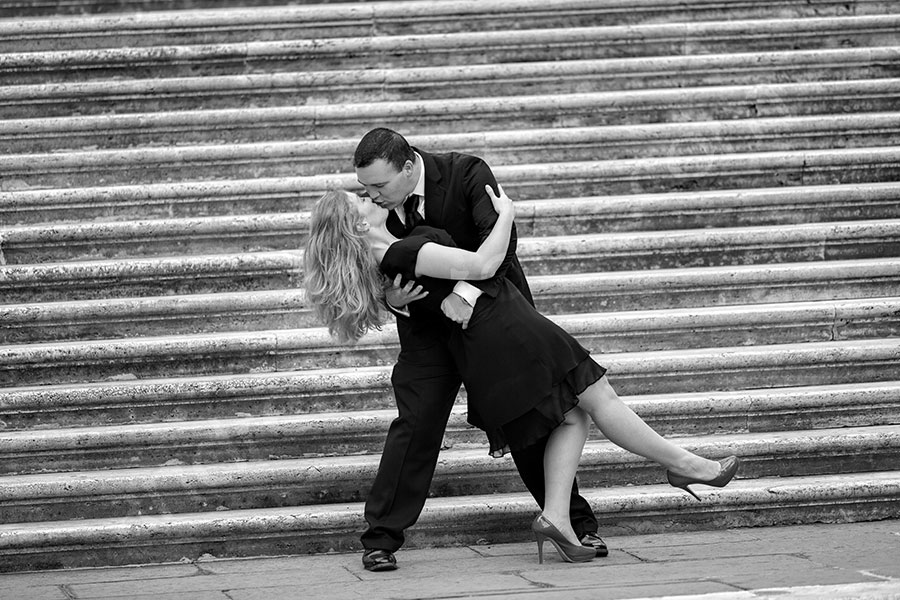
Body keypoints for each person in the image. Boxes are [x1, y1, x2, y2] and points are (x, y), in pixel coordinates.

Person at [304, 182, 740, 565]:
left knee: (573, 415)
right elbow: (484, 265)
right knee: (598, 396)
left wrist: (394, 295)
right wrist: (508, 214)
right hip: (507, 327)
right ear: (355, 224)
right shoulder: (403, 250)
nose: (370, 195)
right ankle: (686, 465)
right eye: (360, 197)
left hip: (498, 328)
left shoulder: (396, 248)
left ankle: (558, 518)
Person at [314, 128, 606, 572]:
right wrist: (390, 300)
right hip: (426, 333)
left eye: (379, 185)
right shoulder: (372, 210)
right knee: (415, 426)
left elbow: (500, 244)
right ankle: (380, 539)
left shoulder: (467, 173)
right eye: (365, 187)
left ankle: (572, 523)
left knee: (530, 418)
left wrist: (466, 295)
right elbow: (359, 261)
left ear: (408, 167)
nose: (371, 194)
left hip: (489, 320)